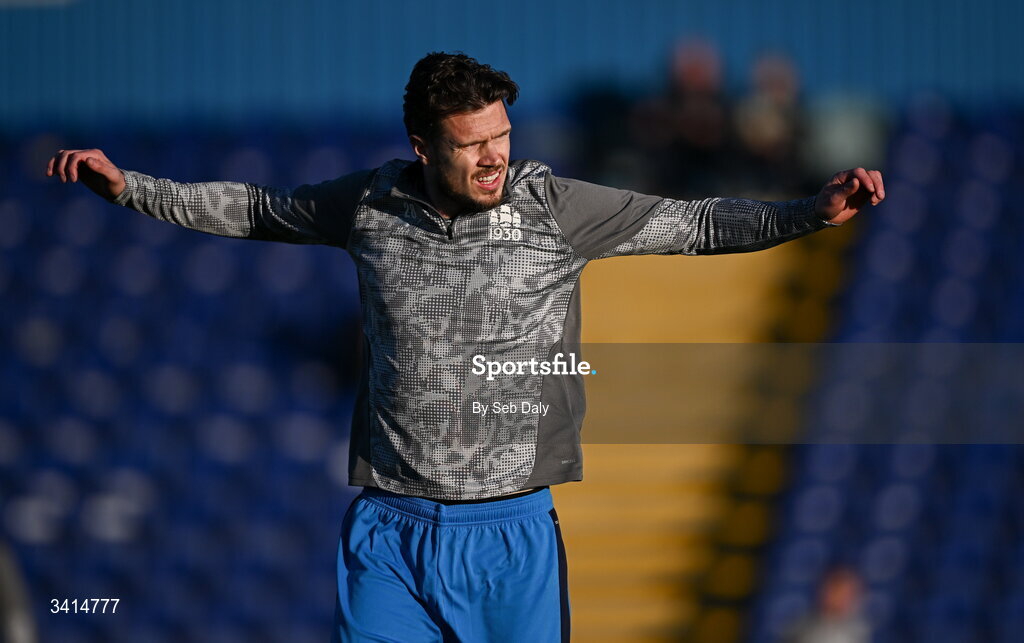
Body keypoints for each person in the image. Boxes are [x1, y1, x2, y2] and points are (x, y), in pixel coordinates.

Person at [46, 51, 885, 642]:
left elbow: (697, 223)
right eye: (470, 143)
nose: (493, 157)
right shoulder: (368, 204)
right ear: (422, 145)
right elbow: (257, 208)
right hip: (389, 530)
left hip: (510, 533)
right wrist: (128, 190)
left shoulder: (554, 205)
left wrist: (808, 212)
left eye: (501, 136)